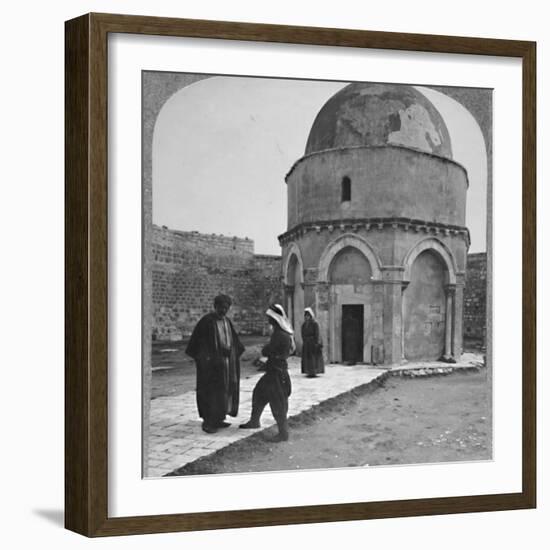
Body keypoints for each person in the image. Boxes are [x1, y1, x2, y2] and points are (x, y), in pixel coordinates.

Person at [185, 294, 245, 434]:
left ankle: (218, 418)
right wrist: (208, 358)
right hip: (211, 367)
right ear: (215, 306)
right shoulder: (206, 322)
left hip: (225, 365)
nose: (223, 311)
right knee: (210, 392)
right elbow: (197, 345)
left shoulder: (227, 322)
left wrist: (232, 351)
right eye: (221, 308)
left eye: (226, 308)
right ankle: (208, 421)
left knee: (223, 392)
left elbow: (235, 343)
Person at [239, 304, 294, 442]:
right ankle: (254, 421)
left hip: (277, 372)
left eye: (270, 317)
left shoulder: (280, 335)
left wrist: (265, 350)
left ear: (275, 318)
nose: (268, 319)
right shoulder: (280, 332)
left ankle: (283, 433)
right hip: (273, 370)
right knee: (259, 393)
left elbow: (268, 350)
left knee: (278, 403)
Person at [301, 307, 325, 378]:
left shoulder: (315, 324)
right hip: (307, 343)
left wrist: (316, 342)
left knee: (313, 358)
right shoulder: (304, 325)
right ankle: (308, 371)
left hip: (313, 343)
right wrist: (305, 340)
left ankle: (314, 371)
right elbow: (302, 333)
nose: (306, 317)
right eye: (305, 316)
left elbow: (317, 333)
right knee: (307, 358)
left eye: (308, 315)